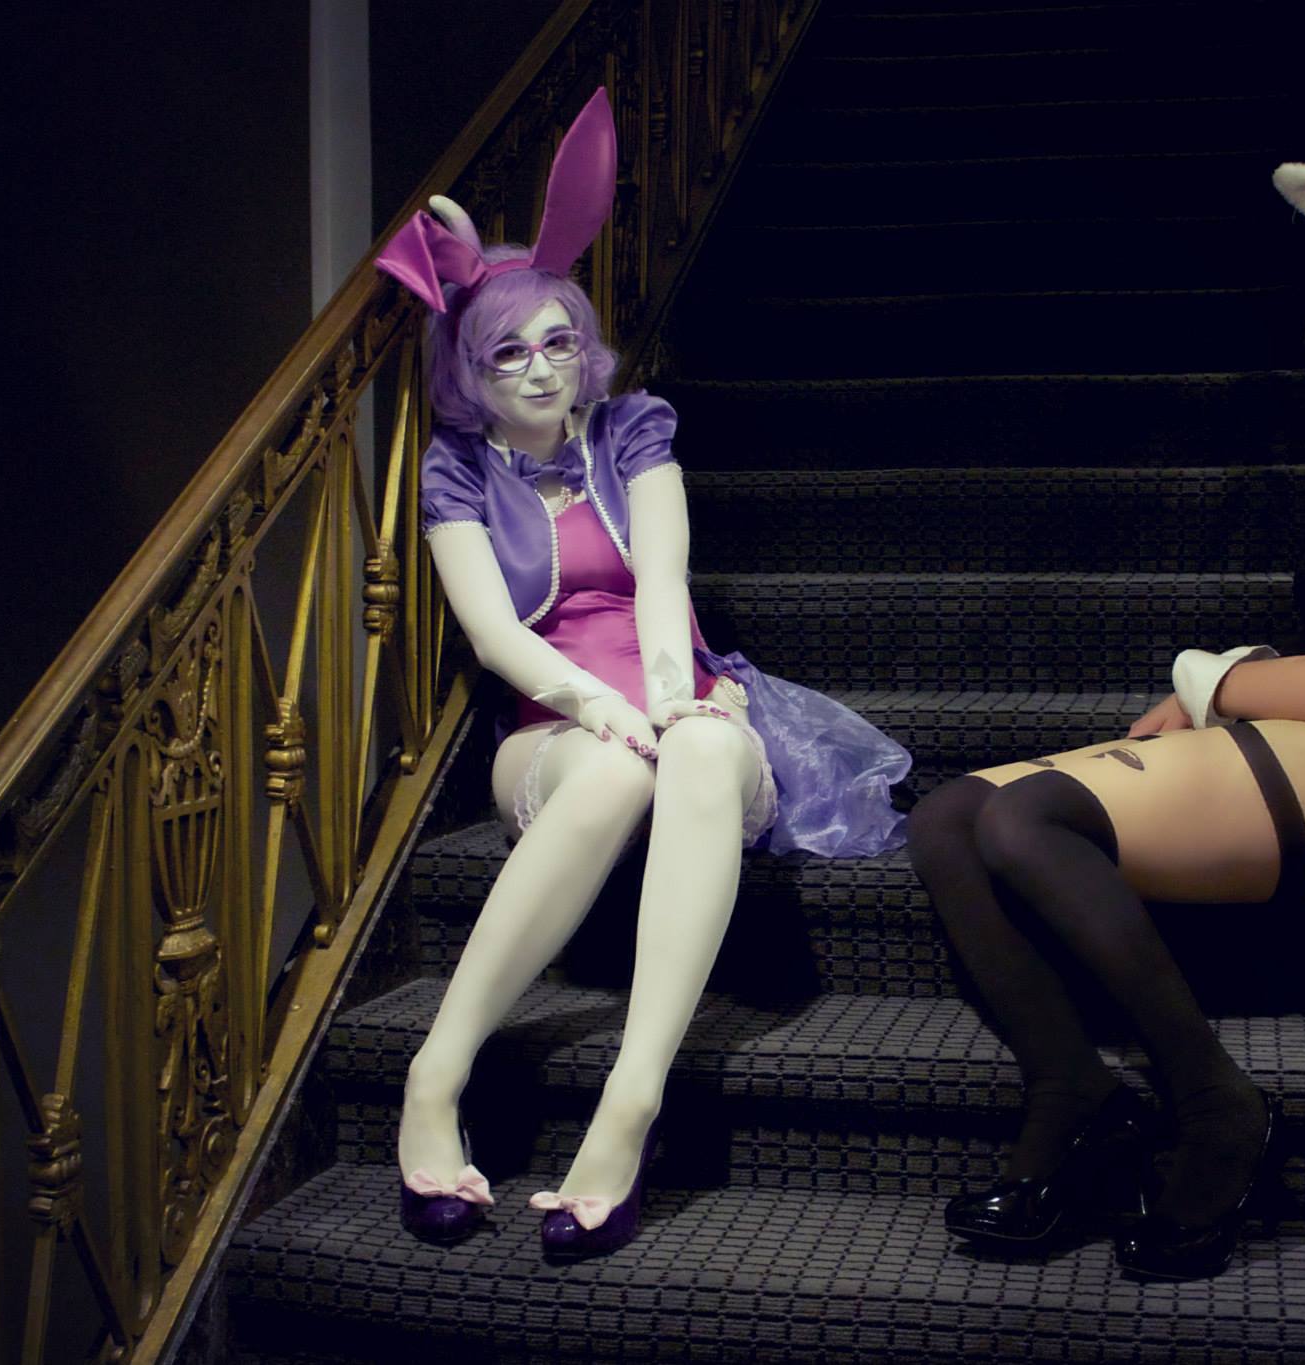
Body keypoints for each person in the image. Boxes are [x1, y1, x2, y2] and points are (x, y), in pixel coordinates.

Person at [904, 101, 1305, 1281]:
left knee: (1026, 820)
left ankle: (1214, 1107)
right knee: (947, 818)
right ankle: (1075, 1093)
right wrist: (1222, 694)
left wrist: (1211, 679)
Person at [374, 90, 909, 1260]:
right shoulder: (455, 471)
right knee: (615, 773)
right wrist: (599, 709)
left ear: (584, 345)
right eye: (506, 351)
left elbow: (661, 577)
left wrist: (668, 696)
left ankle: (629, 1104)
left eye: (556, 342)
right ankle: (434, 1076)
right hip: (552, 728)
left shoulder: (632, 431)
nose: (537, 369)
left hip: (674, 692)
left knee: (702, 744)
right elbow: (495, 638)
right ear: (468, 365)